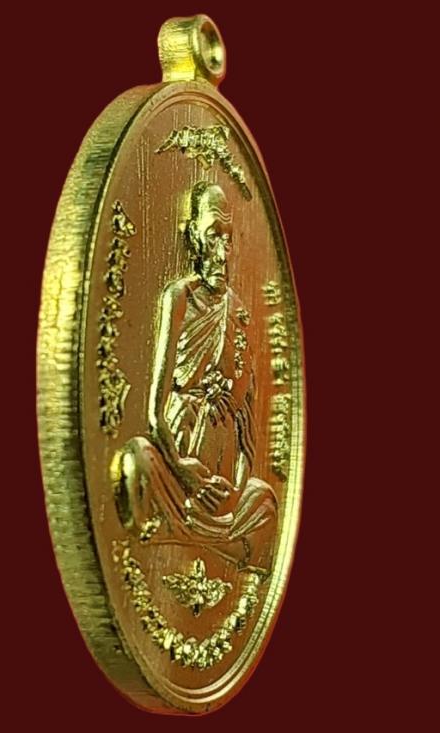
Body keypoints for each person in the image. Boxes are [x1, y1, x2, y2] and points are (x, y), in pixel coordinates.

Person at [111, 181, 277, 571]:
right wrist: (188, 477)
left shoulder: (238, 311)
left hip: (222, 479)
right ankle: (224, 546)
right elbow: (155, 414)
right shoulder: (179, 297)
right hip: (178, 468)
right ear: (193, 237)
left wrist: (233, 489)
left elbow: (247, 425)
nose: (223, 252)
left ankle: (180, 535)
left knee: (266, 502)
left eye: (228, 238)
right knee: (135, 461)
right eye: (213, 235)